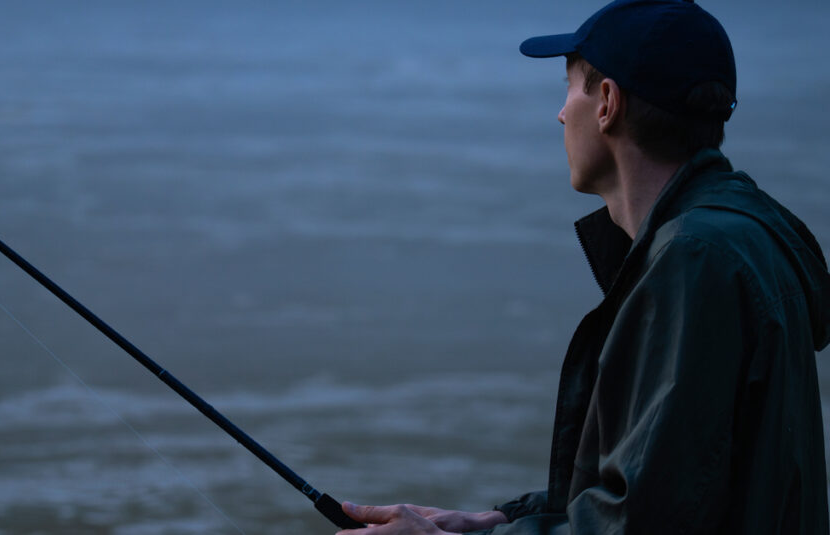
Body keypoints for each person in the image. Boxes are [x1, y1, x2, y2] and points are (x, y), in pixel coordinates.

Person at [336, 0, 830, 533]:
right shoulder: (734, 236)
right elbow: (675, 486)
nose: (560, 113)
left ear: (607, 104)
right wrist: (501, 520)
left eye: (570, 87)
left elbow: (640, 524)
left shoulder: (697, 259)